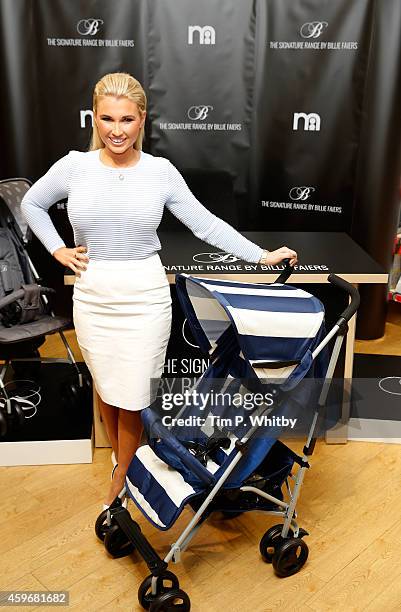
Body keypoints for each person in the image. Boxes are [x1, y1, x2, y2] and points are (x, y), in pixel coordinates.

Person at [21, 72, 297, 511]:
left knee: (131, 397)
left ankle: (121, 482)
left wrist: (261, 256)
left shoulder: (159, 172)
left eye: (127, 119)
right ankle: (123, 462)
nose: (116, 130)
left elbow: (206, 224)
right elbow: (31, 203)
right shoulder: (74, 166)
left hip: (144, 297)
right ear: (95, 118)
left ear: (142, 119)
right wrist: (57, 249)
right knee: (108, 388)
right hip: (93, 296)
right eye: (107, 119)